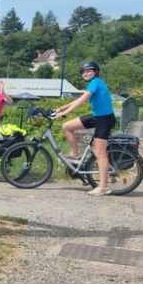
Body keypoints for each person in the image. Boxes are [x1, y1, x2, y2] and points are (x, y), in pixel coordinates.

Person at [54, 60, 116, 196]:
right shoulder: (92, 85)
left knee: (99, 153)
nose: (85, 73)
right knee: (67, 126)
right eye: (83, 72)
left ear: (96, 72)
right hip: (97, 116)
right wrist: (60, 108)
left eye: (88, 71)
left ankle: (104, 186)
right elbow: (78, 99)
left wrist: (64, 114)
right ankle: (75, 154)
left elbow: (82, 101)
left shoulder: (96, 82)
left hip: (105, 119)